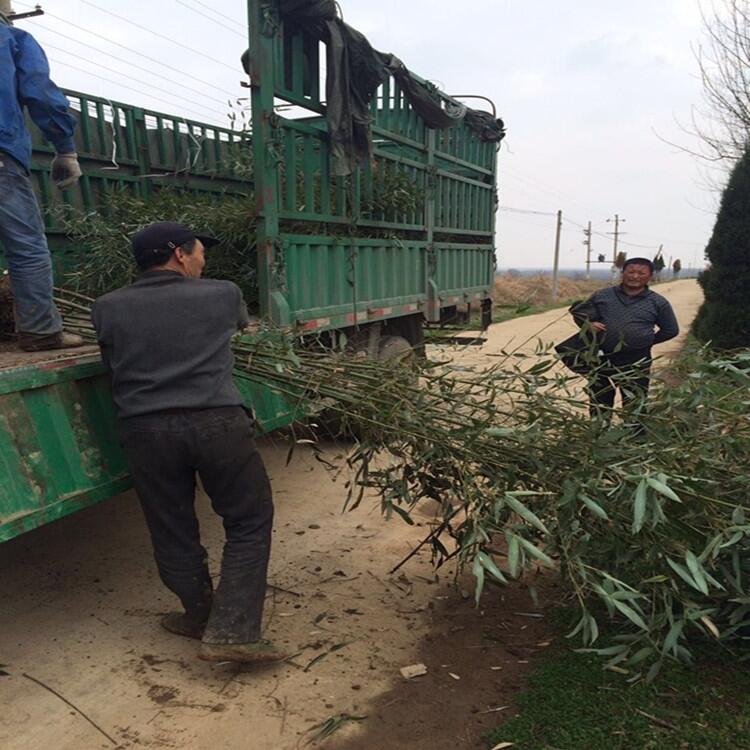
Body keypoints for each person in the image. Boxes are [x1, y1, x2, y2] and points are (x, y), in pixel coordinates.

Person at [91, 221, 283, 663]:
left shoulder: (106, 307)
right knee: (249, 520)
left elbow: (111, 361)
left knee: (171, 526)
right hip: (217, 424)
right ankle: (233, 630)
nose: (203, 259)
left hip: (145, 431)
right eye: (199, 251)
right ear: (179, 253)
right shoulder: (222, 294)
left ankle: (198, 616)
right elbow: (240, 329)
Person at [0, 11, 84, 350]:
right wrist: (65, 149)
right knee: (26, 249)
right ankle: (40, 332)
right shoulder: (11, 38)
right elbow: (41, 94)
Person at [570, 257, 679, 418]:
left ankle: (634, 437)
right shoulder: (603, 295)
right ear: (623, 273)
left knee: (634, 401)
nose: (635, 276)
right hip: (601, 357)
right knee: (599, 399)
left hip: (636, 360)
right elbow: (581, 312)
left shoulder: (657, 302)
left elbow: (671, 330)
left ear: (650, 276)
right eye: (631, 272)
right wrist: (587, 324)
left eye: (641, 273)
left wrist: (645, 341)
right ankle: (597, 434)